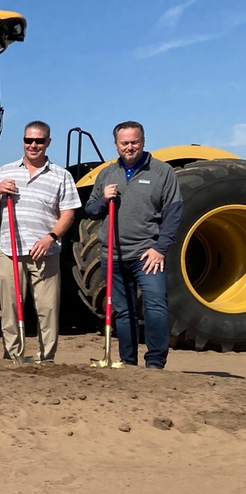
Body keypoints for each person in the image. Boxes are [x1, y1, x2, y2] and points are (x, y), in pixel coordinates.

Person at [0, 121, 81, 363]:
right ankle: (13, 355)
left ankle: (46, 357)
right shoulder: (6, 171)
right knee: (11, 308)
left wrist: (51, 238)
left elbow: (68, 213)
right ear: (23, 142)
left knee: (47, 308)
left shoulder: (61, 175)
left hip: (45, 252)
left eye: (39, 141)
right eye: (28, 140)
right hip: (10, 250)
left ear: (48, 143)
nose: (33, 145)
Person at [84, 120, 181, 369]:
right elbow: (91, 210)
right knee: (123, 312)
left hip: (147, 255)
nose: (130, 147)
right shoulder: (106, 174)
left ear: (143, 141)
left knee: (155, 306)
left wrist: (160, 248)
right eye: (124, 143)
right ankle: (128, 362)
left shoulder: (162, 172)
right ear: (116, 145)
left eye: (134, 142)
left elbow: (173, 213)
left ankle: (156, 362)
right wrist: (104, 200)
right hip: (113, 255)